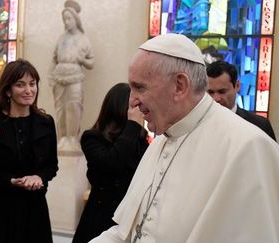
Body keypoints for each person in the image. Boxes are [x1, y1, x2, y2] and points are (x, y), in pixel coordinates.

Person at [90, 33, 279, 242]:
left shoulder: (248, 147)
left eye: (139, 87)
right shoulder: (161, 141)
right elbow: (127, 233)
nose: (132, 101)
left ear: (180, 85)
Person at [0, 59, 58, 243]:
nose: (29, 90)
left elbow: (52, 166)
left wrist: (39, 177)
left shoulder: (46, 122)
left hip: (33, 210)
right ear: (8, 90)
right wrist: (10, 181)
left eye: (32, 84)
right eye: (20, 85)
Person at [72, 83, 149, 243]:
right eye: (134, 106)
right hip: (100, 219)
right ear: (120, 108)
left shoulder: (139, 139)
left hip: (129, 219)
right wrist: (133, 125)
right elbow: (111, 164)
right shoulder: (92, 138)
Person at [50, 0, 95, 151]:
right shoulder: (61, 38)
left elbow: (91, 62)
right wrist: (51, 77)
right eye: (64, 20)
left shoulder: (84, 39)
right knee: (60, 109)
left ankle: (72, 138)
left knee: (74, 106)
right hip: (59, 76)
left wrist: (81, 59)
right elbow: (54, 59)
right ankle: (62, 138)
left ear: (76, 19)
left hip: (75, 76)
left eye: (69, 19)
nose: (66, 22)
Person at [206, 60, 276, 140]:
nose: (216, 98)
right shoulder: (199, 123)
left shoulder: (260, 125)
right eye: (210, 92)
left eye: (222, 92)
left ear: (237, 86)